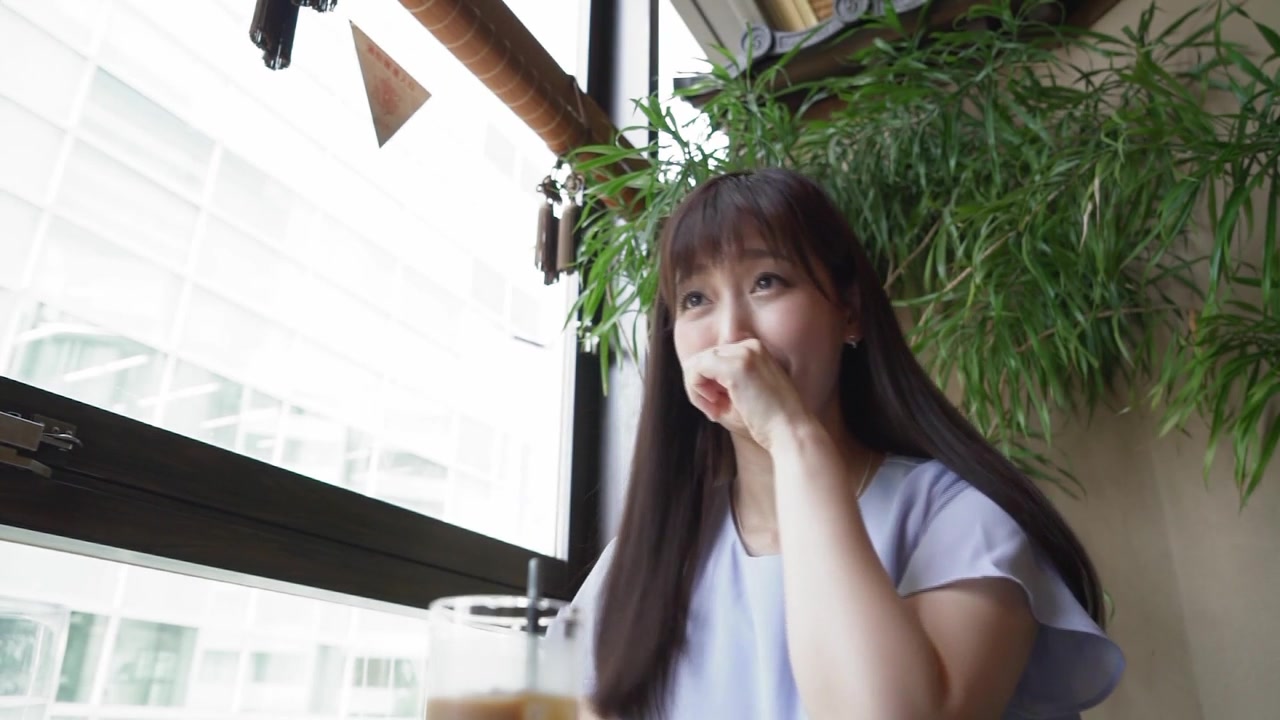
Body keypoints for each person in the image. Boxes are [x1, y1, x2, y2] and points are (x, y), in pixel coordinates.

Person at [561, 168, 1124, 720]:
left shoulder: (961, 522)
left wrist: (791, 436)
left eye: (766, 282)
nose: (731, 334)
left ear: (848, 312)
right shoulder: (645, 558)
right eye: (695, 299)